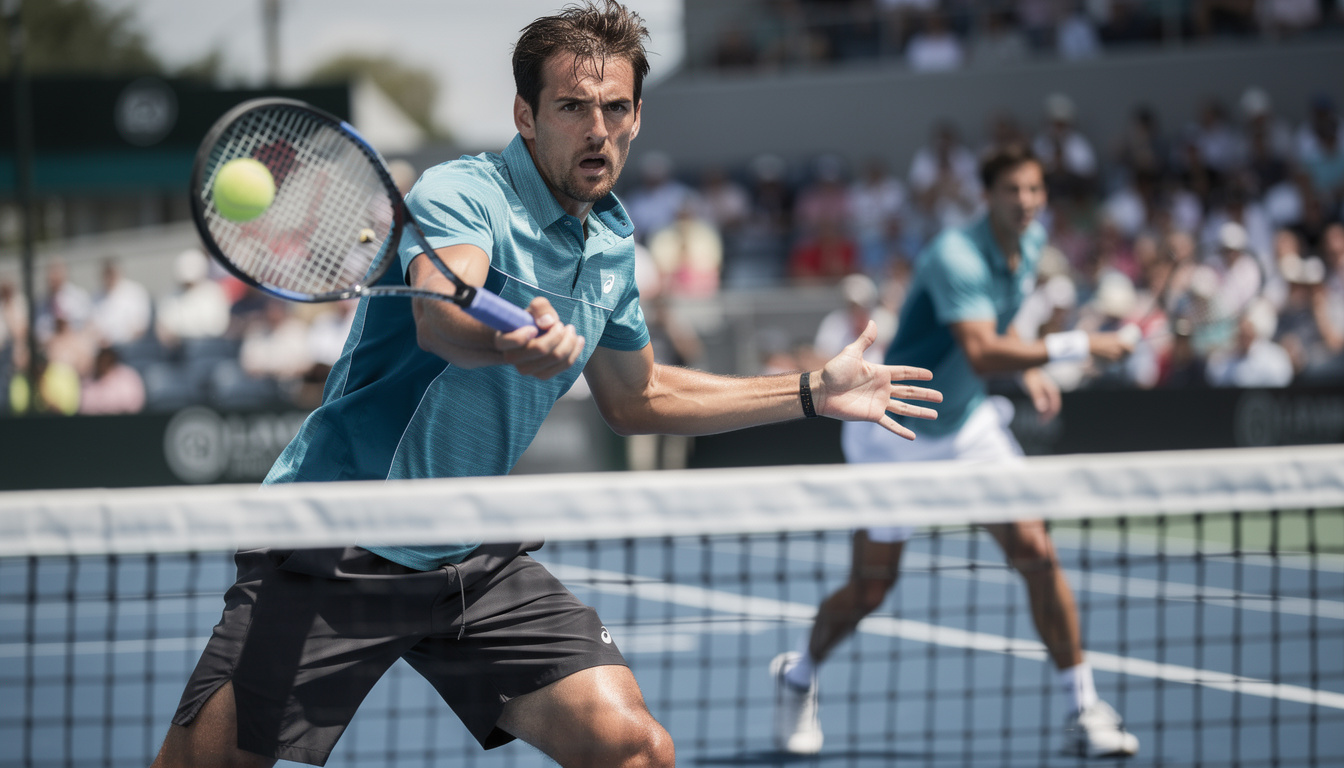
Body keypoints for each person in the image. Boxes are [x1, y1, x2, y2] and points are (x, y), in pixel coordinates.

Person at [149, 4, 942, 768]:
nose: (598, 129)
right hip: (341, 536)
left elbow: (639, 398)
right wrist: (507, 343)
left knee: (634, 748)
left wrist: (811, 389)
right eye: (572, 106)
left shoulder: (613, 244)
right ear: (526, 115)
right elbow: (440, 316)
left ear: (636, 117)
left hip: (467, 553)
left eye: (615, 108)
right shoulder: (463, 194)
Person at [772, 144, 1140, 759]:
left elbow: (999, 330)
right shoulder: (954, 255)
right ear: (987, 196)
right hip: (897, 428)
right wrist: (1077, 347)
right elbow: (980, 351)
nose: (1025, 202)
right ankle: (798, 676)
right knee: (870, 590)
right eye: (1012, 192)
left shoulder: (1025, 248)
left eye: (1033, 190)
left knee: (1036, 553)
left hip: (968, 427)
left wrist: (1028, 370)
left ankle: (1085, 707)